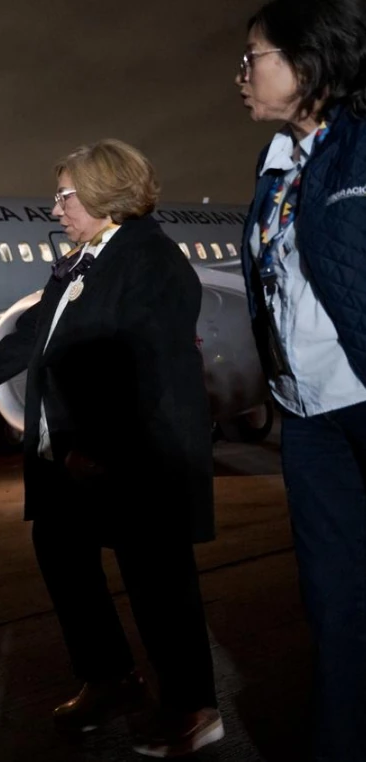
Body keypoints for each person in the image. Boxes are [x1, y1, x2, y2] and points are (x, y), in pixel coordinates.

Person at [0, 140, 222, 757]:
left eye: (64, 194)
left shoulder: (149, 261)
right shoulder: (82, 262)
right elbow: (31, 338)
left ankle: (193, 706)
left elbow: (146, 370)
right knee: (62, 555)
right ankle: (110, 679)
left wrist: (99, 445)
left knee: (158, 582)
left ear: (105, 190)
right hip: (70, 457)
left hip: (135, 457)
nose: (55, 208)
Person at [235, 2, 366, 758]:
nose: (242, 75)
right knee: (333, 599)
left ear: (308, 63)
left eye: (255, 56)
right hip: (311, 416)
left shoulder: (359, 149)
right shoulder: (276, 163)